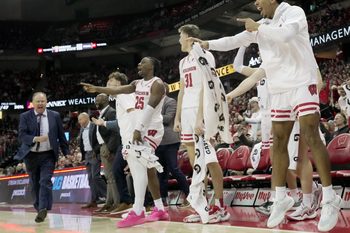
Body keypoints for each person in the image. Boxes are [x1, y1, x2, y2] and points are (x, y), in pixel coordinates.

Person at [192, 1, 341, 231]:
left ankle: (330, 198)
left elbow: (286, 35)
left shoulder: (294, 12)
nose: (255, 3)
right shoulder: (261, 24)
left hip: (302, 80)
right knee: (278, 143)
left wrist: (258, 28)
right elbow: (234, 40)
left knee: (311, 136)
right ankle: (281, 197)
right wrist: (207, 43)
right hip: (279, 87)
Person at [81, 56, 169, 228]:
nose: (139, 64)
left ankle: (138, 210)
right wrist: (97, 88)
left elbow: (144, 110)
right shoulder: (136, 84)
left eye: (143, 62)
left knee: (138, 168)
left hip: (149, 129)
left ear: (152, 66)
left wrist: (136, 131)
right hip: (138, 130)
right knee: (146, 170)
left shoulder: (157, 84)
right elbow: (120, 90)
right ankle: (158, 208)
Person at [174, 24, 230, 224]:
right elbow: (182, 90)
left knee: (209, 159)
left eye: (180, 36)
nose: (178, 40)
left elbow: (207, 88)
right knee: (197, 164)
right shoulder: (182, 62)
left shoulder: (205, 55)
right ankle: (203, 205)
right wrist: (178, 117)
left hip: (202, 112)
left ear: (189, 38)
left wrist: (200, 117)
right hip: (187, 113)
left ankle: (221, 206)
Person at [15, 92, 69, 223]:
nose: (40, 103)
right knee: (35, 184)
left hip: (48, 154)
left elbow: (61, 135)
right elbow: (22, 135)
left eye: (43, 101)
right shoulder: (25, 116)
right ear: (33, 103)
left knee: (45, 181)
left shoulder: (54, 116)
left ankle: (43, 208)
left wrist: (66, 153)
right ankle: (39, 207)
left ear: (46, 102)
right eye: (38, 101)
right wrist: (35, 138)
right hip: (31, 155)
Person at [92, 72, 135, 213]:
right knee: (121, 171)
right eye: (108, 83)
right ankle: (128, 201)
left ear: (120, 85)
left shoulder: (124, 96)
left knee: (133, 171)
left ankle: (140, 202)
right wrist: (103, 123)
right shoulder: (118, 98)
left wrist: (137, 133)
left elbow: (133, 115)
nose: (108, 86)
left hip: (132, 140)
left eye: (111, 84)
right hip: (126, 140)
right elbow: (120, 123)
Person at [156, 83, 189, 206]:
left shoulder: (171, 101)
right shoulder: (154, 103)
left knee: (174, 169)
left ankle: (189, 194)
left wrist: (152, 115)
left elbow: (168, 118)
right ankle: (163, 199)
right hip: (158, 141)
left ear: (164, 90)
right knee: (161, 172)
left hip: (170, 140)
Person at [93, 94, 121, 214]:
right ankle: (109, 202)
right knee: (109, 177)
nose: (96, 101)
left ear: (105, 100)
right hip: (103, 146)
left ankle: (117, 203)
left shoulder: (111, 112)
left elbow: (115, 133)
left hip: (108, 147)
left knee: (112, 176)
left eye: (99, 99)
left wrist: (110, 148)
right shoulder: (103, 112)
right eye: (96, 99)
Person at [78, 112, 106, 209]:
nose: (79, 122)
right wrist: (83, 156)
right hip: (87, 155)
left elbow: (100, 139)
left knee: (95, 177)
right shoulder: (82, 129)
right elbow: (82, 143)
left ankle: (108, 196)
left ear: (86, 118)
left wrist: (97, 151)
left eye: (80, 119)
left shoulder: (94, 126)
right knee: (90, 179)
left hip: (94, 154)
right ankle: (94, 200)